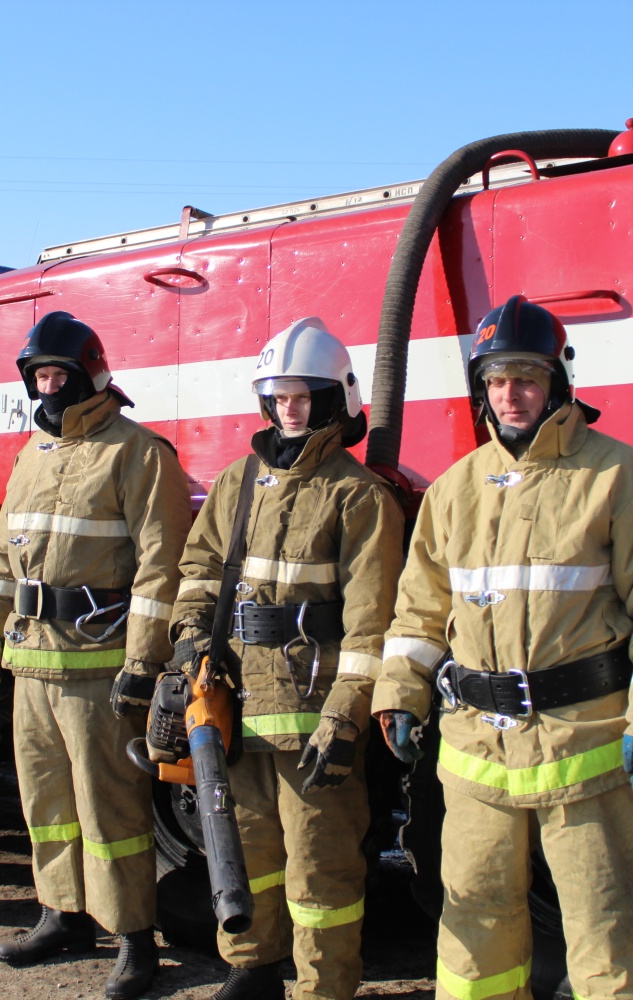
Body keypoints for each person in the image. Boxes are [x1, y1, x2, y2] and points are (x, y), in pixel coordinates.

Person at [371, 296, 633, 1000]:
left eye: (525, 377)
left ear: (558, 382)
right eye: (495, 379)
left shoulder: (623, 478)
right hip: (474, 755)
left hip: (583, 745)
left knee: (610, 929)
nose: (510, 394)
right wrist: (398, 692)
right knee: (473, 929)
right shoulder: (454, 490)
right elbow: (419, 609)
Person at [169, 318, 403, 1000]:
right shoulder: (240, 481)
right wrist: (186, 641)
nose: (288, 408)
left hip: (312, 718)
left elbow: (373, 627)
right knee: (244, 848)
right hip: (239, 705)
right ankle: (253, 966)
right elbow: (200, 567)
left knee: (319, 867)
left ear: (336, 399)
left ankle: (322, 988)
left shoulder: (359, 497)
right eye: (277, 396)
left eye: (302, 395)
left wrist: (346, 717)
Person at [0, 311, 191, 1000]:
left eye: (58, 374)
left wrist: (143, 661)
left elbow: (163, 568)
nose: (47, 385)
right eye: (38, 375)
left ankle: (133, 939)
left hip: (99, 669)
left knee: (111, 811)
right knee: (46, 803)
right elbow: (2, 560)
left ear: (90, 375)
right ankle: (60, 914)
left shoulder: (137, 452)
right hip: (32, 663)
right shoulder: (30, 455)